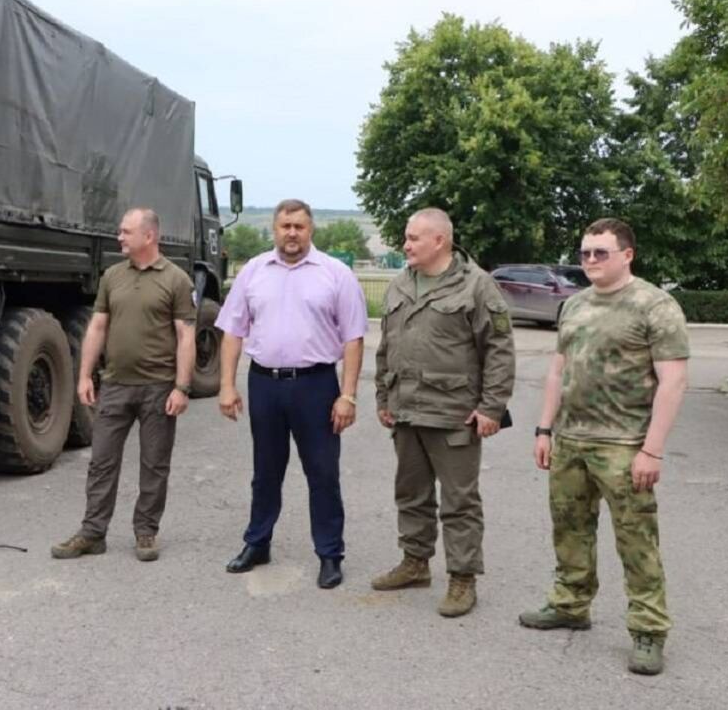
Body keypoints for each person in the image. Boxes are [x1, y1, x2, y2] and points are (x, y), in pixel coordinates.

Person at [519, 218, 688, 677]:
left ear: (627, 254)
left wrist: (651, 450)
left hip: (624, 444)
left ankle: (649, 631)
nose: (590, 260)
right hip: (570, 441)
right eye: (584, 253)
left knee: (637, 541)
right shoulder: (573, 305)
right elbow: (557, 370)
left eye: (601, 252)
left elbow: (673, 382)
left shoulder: (655, 305)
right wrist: (544, 429)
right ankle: (571, 603)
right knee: (569, 531)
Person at [215, 199, 367, 589]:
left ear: (311, 229)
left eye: (299, 226)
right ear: (275, 229)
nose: (292, 233)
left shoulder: (335, 274)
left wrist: (347, 395)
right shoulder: (253, 271)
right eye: (285, 226)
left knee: (322, 473)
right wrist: (227, 385)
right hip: (265, 384)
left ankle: (330, 554)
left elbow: (353, 338)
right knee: (265, 473)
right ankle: (257, 542)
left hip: (316, 386)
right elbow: (233, 330)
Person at [371, 208, 515, 617]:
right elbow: (386, 346)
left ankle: (462, 579)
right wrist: (384, 396)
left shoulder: (477, 286)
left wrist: (491, 407)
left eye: (414, 238)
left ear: (440, 241)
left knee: (459, 502)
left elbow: (499, 351)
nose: (405, 244)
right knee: (410, 494)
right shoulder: (401, 284)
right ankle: (415, 563)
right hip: (406, 412)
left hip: (454, 414)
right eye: (406, 236)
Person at [51, 208, 196, 562]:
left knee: (154, 463)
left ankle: (146, 532)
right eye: (120, 231)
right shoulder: (112, 276)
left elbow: (186, 336)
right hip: (115, 385)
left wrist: (182, 387)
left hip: (159, 388)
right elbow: (97, 327)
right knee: (101, 461)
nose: (119, 237)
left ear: (149, 236)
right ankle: (92, 533)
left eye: (126, 232)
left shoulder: (177, 280)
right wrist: (85, 375)